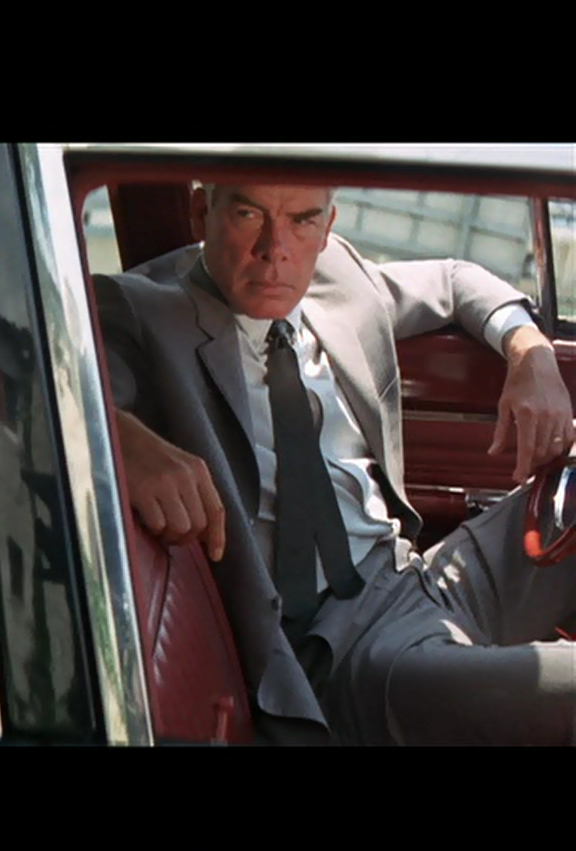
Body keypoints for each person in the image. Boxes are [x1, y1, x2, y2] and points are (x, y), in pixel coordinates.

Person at [94, 182, 576, 745]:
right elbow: (28, 390)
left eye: (302, 220)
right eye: (249, 214)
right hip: (344, 657)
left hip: (419, 578)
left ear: (327, 227)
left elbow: (454, 280)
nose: (275, 250)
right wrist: (120, 435)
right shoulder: (138, 311)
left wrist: (531, 352)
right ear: (203, 212)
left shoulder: (337, 275)